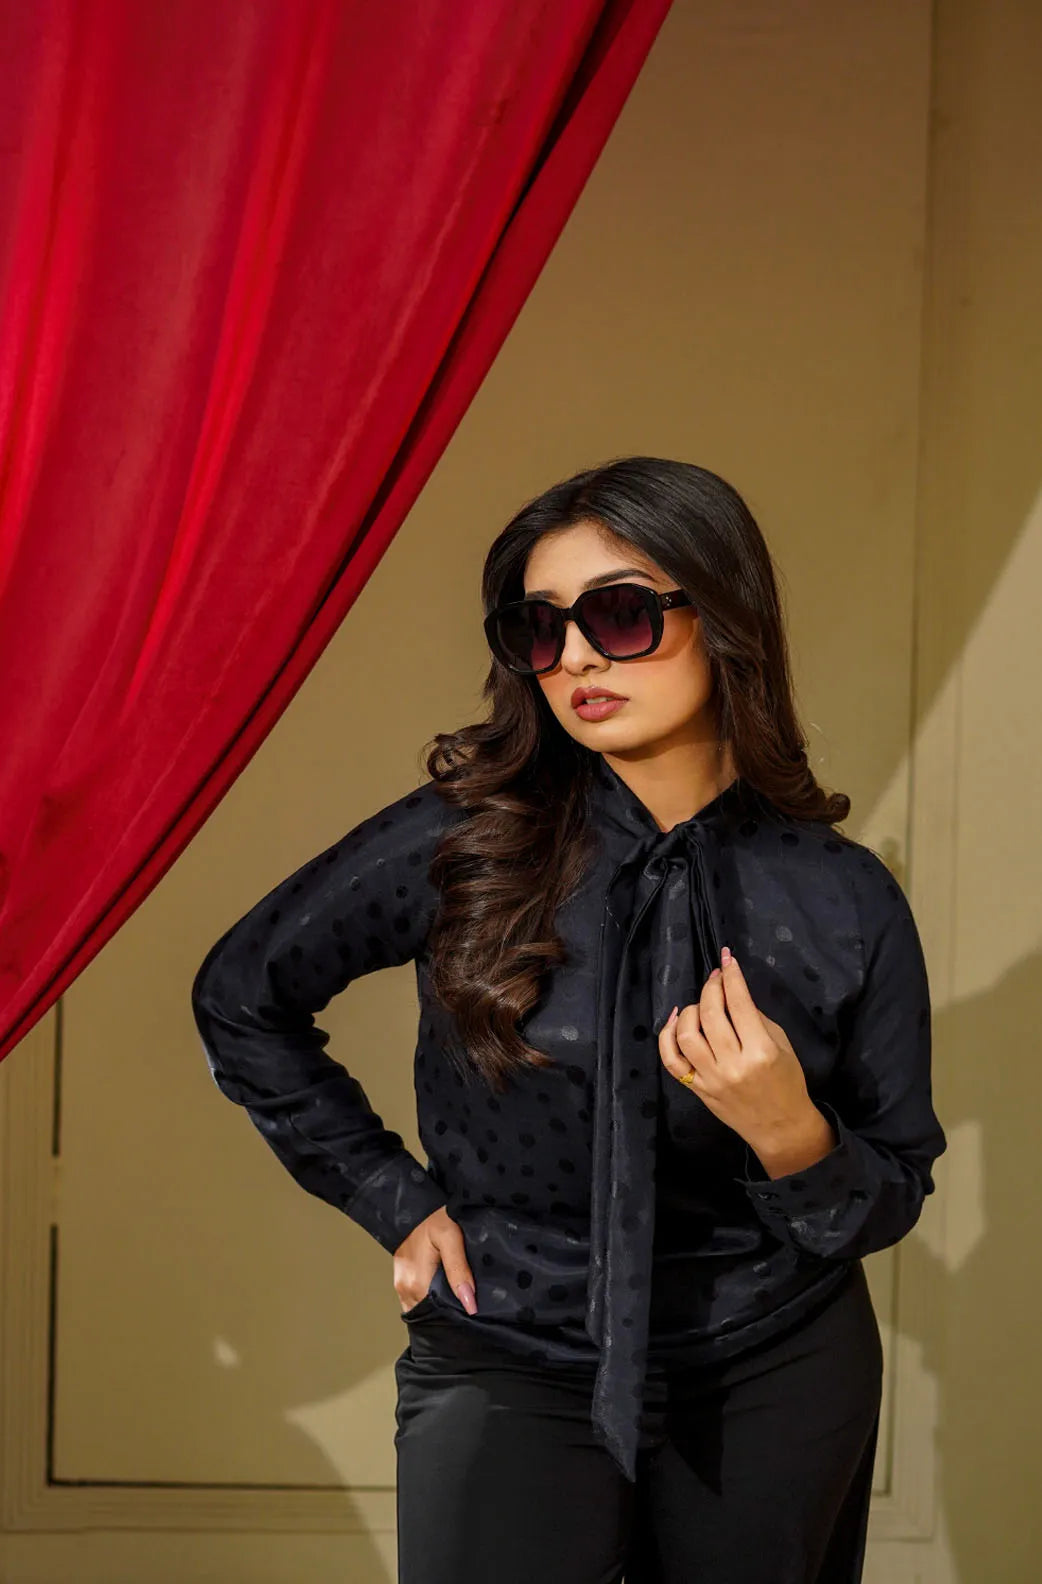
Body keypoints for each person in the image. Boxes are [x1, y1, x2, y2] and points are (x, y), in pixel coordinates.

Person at [191, 456, 948, 1583]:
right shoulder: (465, 839)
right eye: (538, 630)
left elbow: (886, 1194)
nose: (578, 658)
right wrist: (391, 1197)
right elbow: (241, 992)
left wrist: (789, 1130)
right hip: (507, 1344)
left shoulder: (842, 897)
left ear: (722, 616)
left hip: (772, 1365)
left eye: (620, 615)